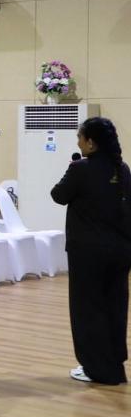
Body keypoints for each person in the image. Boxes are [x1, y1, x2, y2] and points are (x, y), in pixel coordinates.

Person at [51, 117, 131, 385]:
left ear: (91, 143)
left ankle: (96, 368)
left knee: (88, 309)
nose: (78, 142)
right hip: (120, 250)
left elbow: (58, 195)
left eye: (80, 137)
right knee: (115, 306)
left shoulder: (80, 168)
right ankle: (114, 366)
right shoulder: (122, 169)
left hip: (87, 252)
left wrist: (71, 168)